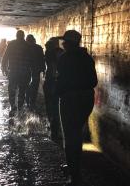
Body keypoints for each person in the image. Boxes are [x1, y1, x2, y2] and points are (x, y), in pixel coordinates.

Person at [56, 30, 97, 186]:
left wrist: (58, 91)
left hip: (69, 99)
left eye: (64, 41)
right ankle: (74, 167)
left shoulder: (64, 58)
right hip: (86, 99)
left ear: (68, 43)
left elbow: (60, 81)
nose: (63, 44)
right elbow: (94, 81)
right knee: (77, 133)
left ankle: (75, 175)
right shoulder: (87, 58)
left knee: (69, 136)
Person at [1, 30, 32, 113]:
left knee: (11, 89)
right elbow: (31, 60)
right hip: (24, 72)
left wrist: (3, 68)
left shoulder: (11, 44)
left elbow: (5, 57)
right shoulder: (28, 46)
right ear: (23, 36)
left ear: (16, 36)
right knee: (22, 90)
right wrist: (31, 73)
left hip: (13, 71)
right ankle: (20, 107)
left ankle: (12, 106)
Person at [43, 37, 64, 141]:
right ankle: (55, 131)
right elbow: (55, 69)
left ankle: (51, 127)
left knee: (49, 106)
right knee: (56, 107)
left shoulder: (47, 53)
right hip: (55, 83)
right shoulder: (59, 53)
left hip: (48, 82)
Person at [25, 34, 45, 111]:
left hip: (27, 70)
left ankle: (27, 102)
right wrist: (43, 69)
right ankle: (32, 102)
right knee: (35, 85)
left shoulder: (25, 48)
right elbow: (42, 59)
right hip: (36, 70)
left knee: (27, 86)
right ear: (33, 40)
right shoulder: (38, 47)